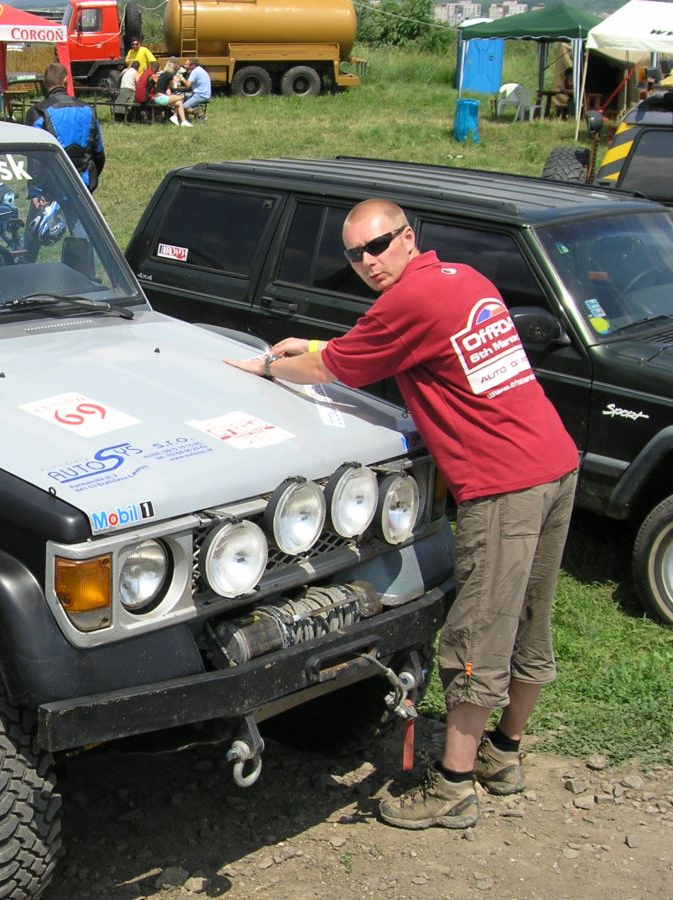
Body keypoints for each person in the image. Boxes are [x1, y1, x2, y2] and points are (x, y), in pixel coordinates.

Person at [226, 199, 579, 832]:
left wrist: (270, 365)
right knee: (530, 613)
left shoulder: (407, 303)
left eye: (379, 245)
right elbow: (371, 344)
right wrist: (308, 343)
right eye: (355, 254)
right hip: (554, 462)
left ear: (408, 237)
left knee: (477, 633)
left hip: (504, 486)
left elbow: (334, 367)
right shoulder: (462, 281)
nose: (367, 261)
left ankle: (453, 786)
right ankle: (504, 753)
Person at [25, 62, 105, 192]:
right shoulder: (88, 110)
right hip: (84, 183)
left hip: (51, 187)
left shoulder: (37, 112)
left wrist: (35, 190)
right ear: (66, 81)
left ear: (45, 83)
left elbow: (35, 158)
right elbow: (99, 153)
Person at [152, 60, 190, 126]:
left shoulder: (163, 74)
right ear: (173, 66)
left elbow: (168, 88)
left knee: (179, 103)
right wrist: (178, 81)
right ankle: (175, 116)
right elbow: (173, 87)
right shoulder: (170, 75)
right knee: (181, 97)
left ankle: (183, 121)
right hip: (161, 98)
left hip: (157, 97)